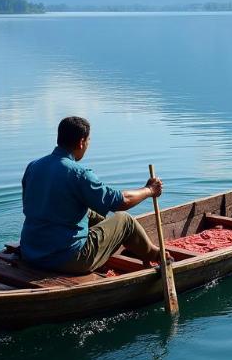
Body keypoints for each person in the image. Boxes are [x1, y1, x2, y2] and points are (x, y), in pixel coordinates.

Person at [19, 116, 164, 273]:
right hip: (68, 259)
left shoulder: (33, 166)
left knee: (89, 212)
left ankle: (125, 242)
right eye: (88, 141)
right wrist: (150, 190)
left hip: (31, 252)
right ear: (81, 142)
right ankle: (156, 254)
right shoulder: (79, 174)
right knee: (125, 220)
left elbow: (31, 204)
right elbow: (121, 202)